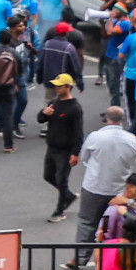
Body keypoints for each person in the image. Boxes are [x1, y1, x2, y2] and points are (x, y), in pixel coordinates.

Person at [73, 108, 136, 269]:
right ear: (122, 119)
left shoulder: (95, 136)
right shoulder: (131, 139)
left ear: (107, 118)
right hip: (119, 188)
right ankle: (117, 257)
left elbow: (85, 157)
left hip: (94, 186)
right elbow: (132, 159)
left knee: (87, 222)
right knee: (118, 223)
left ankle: (81, 257)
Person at [39, 73, 84, 221]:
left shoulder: (75, 108)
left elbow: (78, 133)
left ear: (68, 87)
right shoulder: (54, 102)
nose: (56, 89)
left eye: (59, 86)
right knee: (48, 176)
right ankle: (69, 196)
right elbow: (40, 119)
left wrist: (75, 153)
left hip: (65, 150)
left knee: (61, 179)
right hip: (51, 147)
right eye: (55, 86)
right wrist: (44, 113)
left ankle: (60, 211)